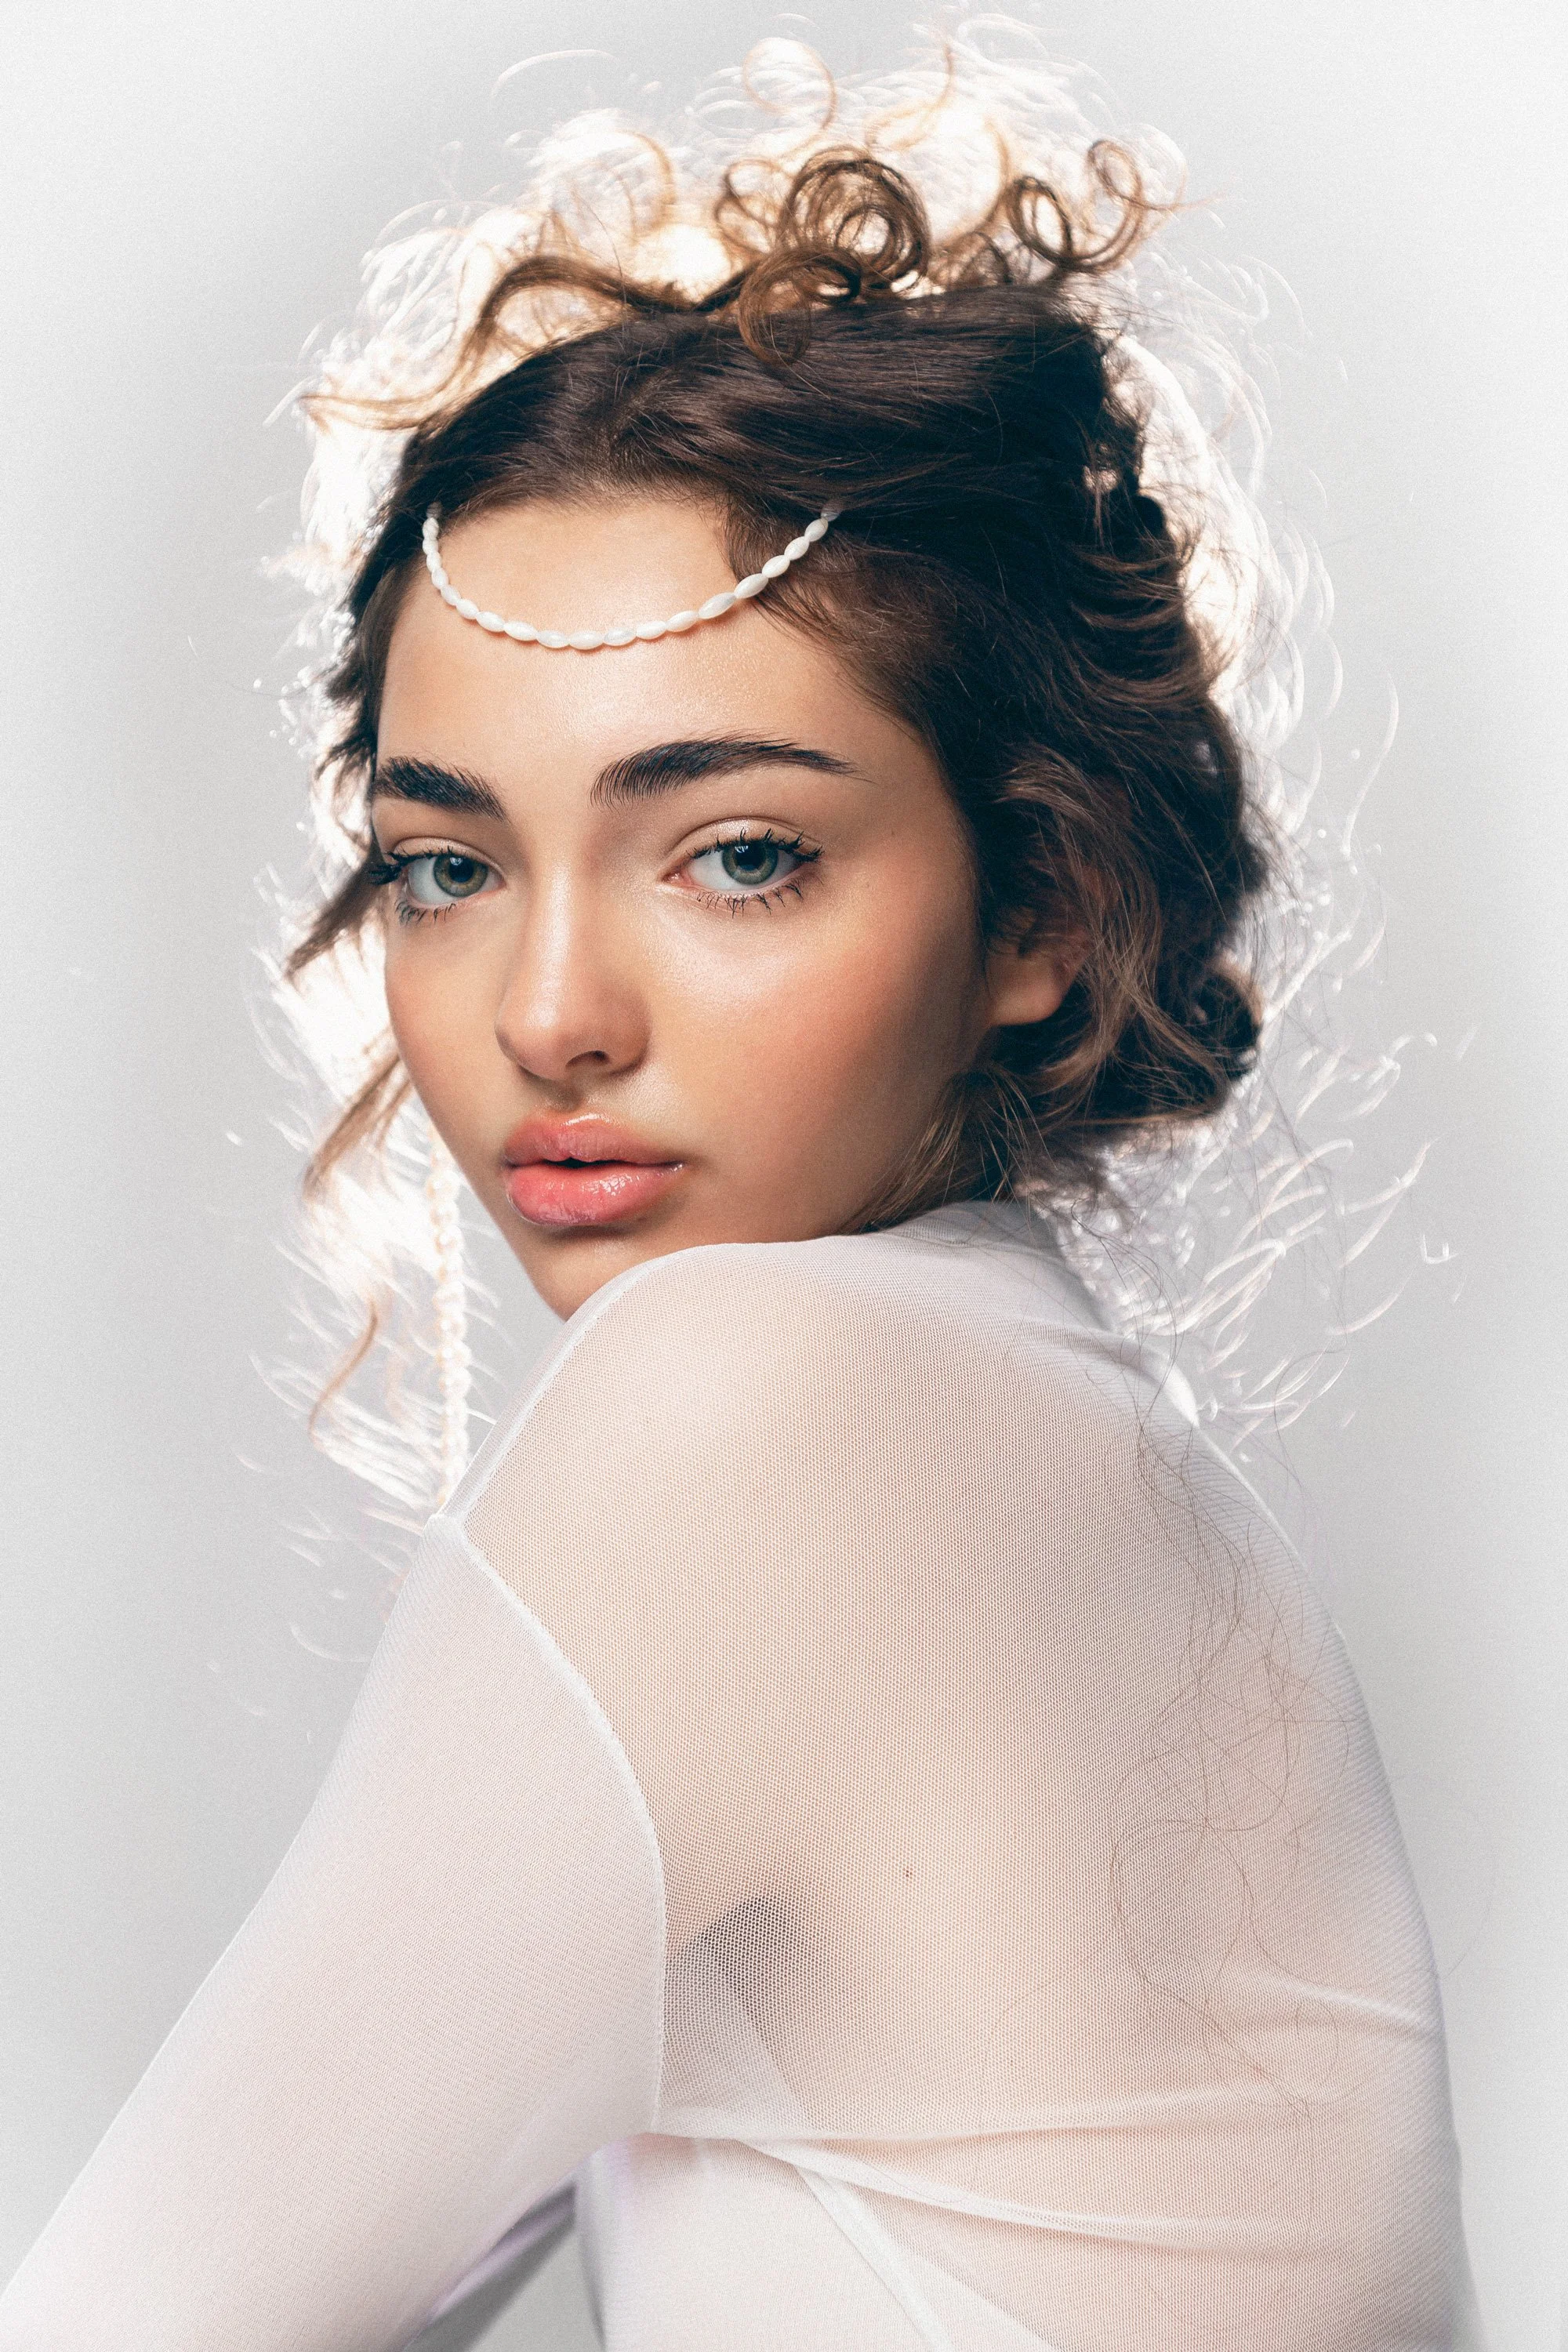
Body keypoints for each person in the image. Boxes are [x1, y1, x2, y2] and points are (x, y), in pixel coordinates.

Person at [0, 29, 1482, 2350]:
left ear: (1047, 911)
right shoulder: (1110, 1473)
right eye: (444, 864)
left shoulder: (778, 1404)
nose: (551, 1011)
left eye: (742, 853)